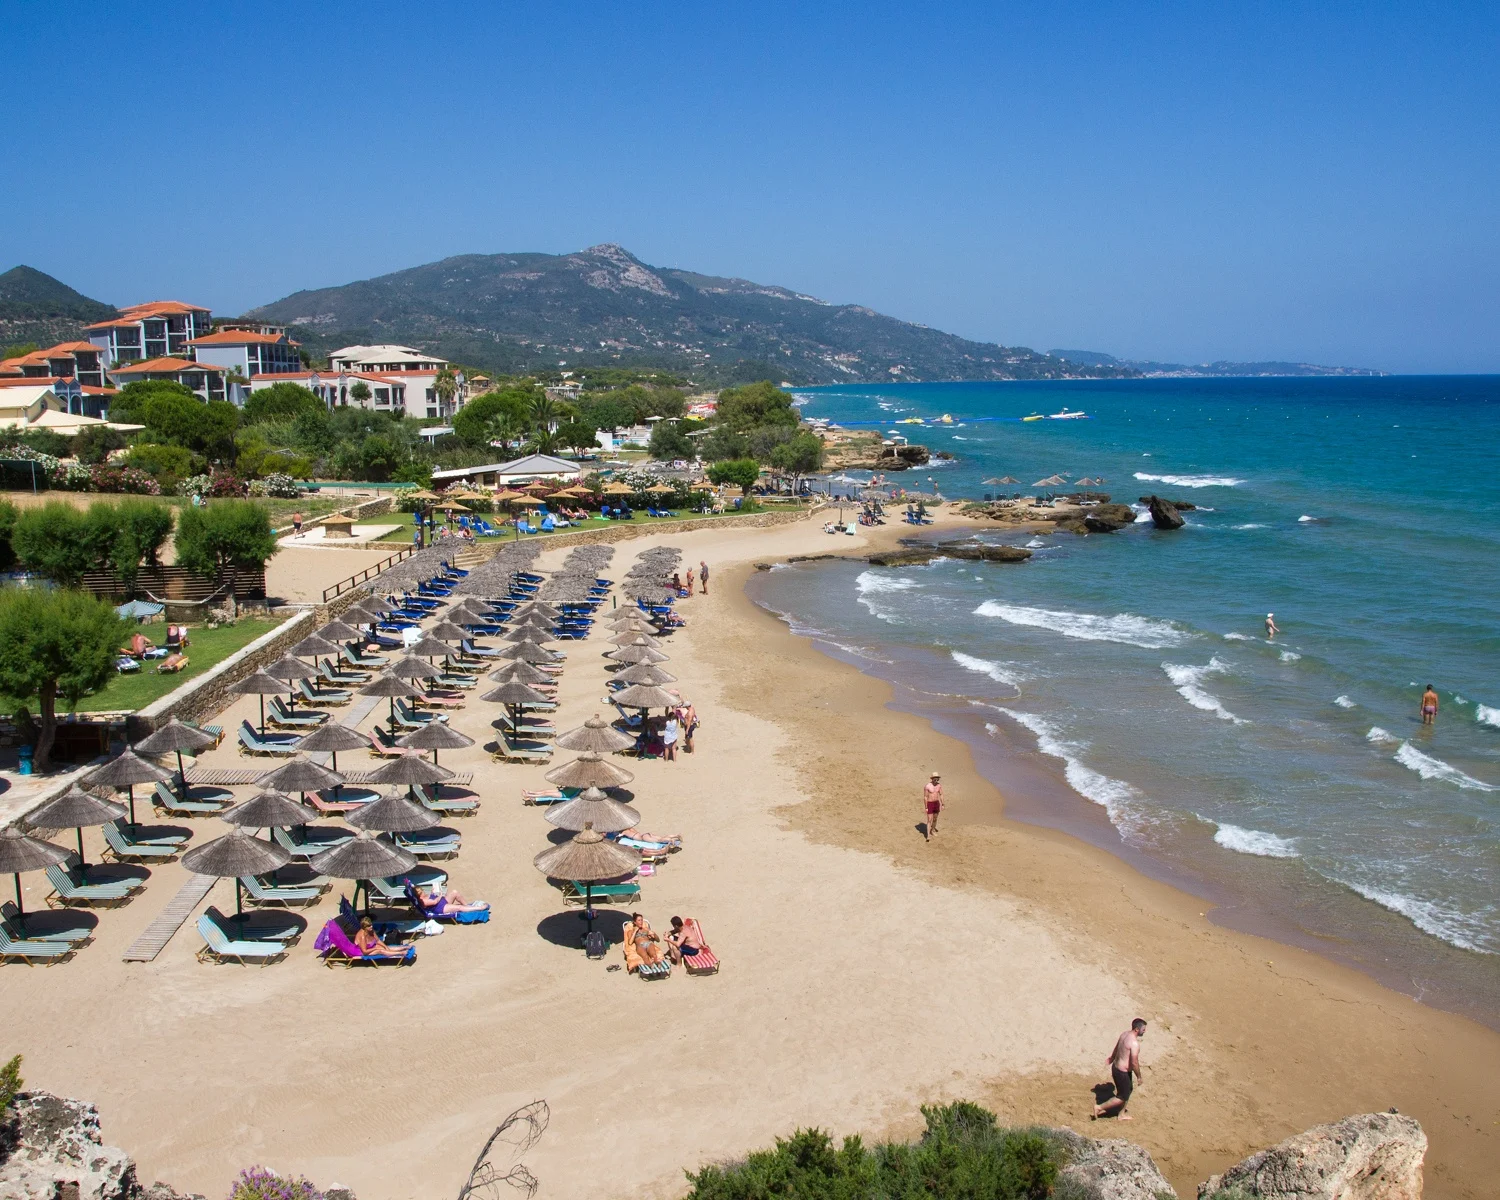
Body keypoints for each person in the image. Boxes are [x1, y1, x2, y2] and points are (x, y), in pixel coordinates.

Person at [1094, 1019, 1147, 1120]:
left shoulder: (1124, 1034)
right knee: (1121, 1097)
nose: (1145, 1031)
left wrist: (1111, 1058)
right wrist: (1139, 1077)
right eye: (1143, 1029)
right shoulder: (1134, 1043)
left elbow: (1117, 1047)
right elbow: (1134, 1062)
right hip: (1122, 1072)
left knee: (1128, 1089)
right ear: (1137, 1029)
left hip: (1116, 1067)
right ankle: (1099, 1107)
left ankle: (1121, 1114)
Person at [411, 885, 489, 916]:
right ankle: (479, 908)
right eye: (422, 891)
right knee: (459, 908)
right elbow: (434, 902)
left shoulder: (424, 897)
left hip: (443, 902)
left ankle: (467, 906)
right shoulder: (423, 901)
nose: (424, 891)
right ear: (419, 894)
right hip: (441, 908)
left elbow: (433, 898)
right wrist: (440, 895)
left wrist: (433, 892)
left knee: (455, 892)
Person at [923, 772, 943, 841]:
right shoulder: (927, 786)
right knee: (929, 819)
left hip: (936, 803)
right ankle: (928, 835)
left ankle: (933, 829)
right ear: (932, 778)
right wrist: (926, 807)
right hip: (930, 803)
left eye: (937, 778)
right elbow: (925, 797)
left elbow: (941, 794)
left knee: (935, 818)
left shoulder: (939, 785)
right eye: (935, 778)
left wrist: (942, 804)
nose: (936, 779)